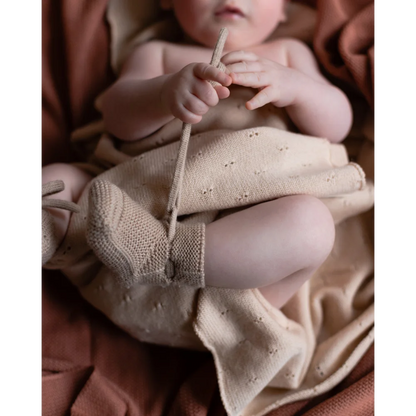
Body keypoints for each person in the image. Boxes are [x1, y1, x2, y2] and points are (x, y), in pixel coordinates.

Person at [40, 0, 353, 309]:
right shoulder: (158, 54)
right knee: (59, 180)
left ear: (285, 7)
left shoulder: (288, 54)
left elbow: (338, 125)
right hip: (127, 222)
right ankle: (47, 238)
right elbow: (117, 119)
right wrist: (162, 94)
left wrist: (297, 89)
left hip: (233, 274)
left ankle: (168, 255)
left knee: (311, 227)